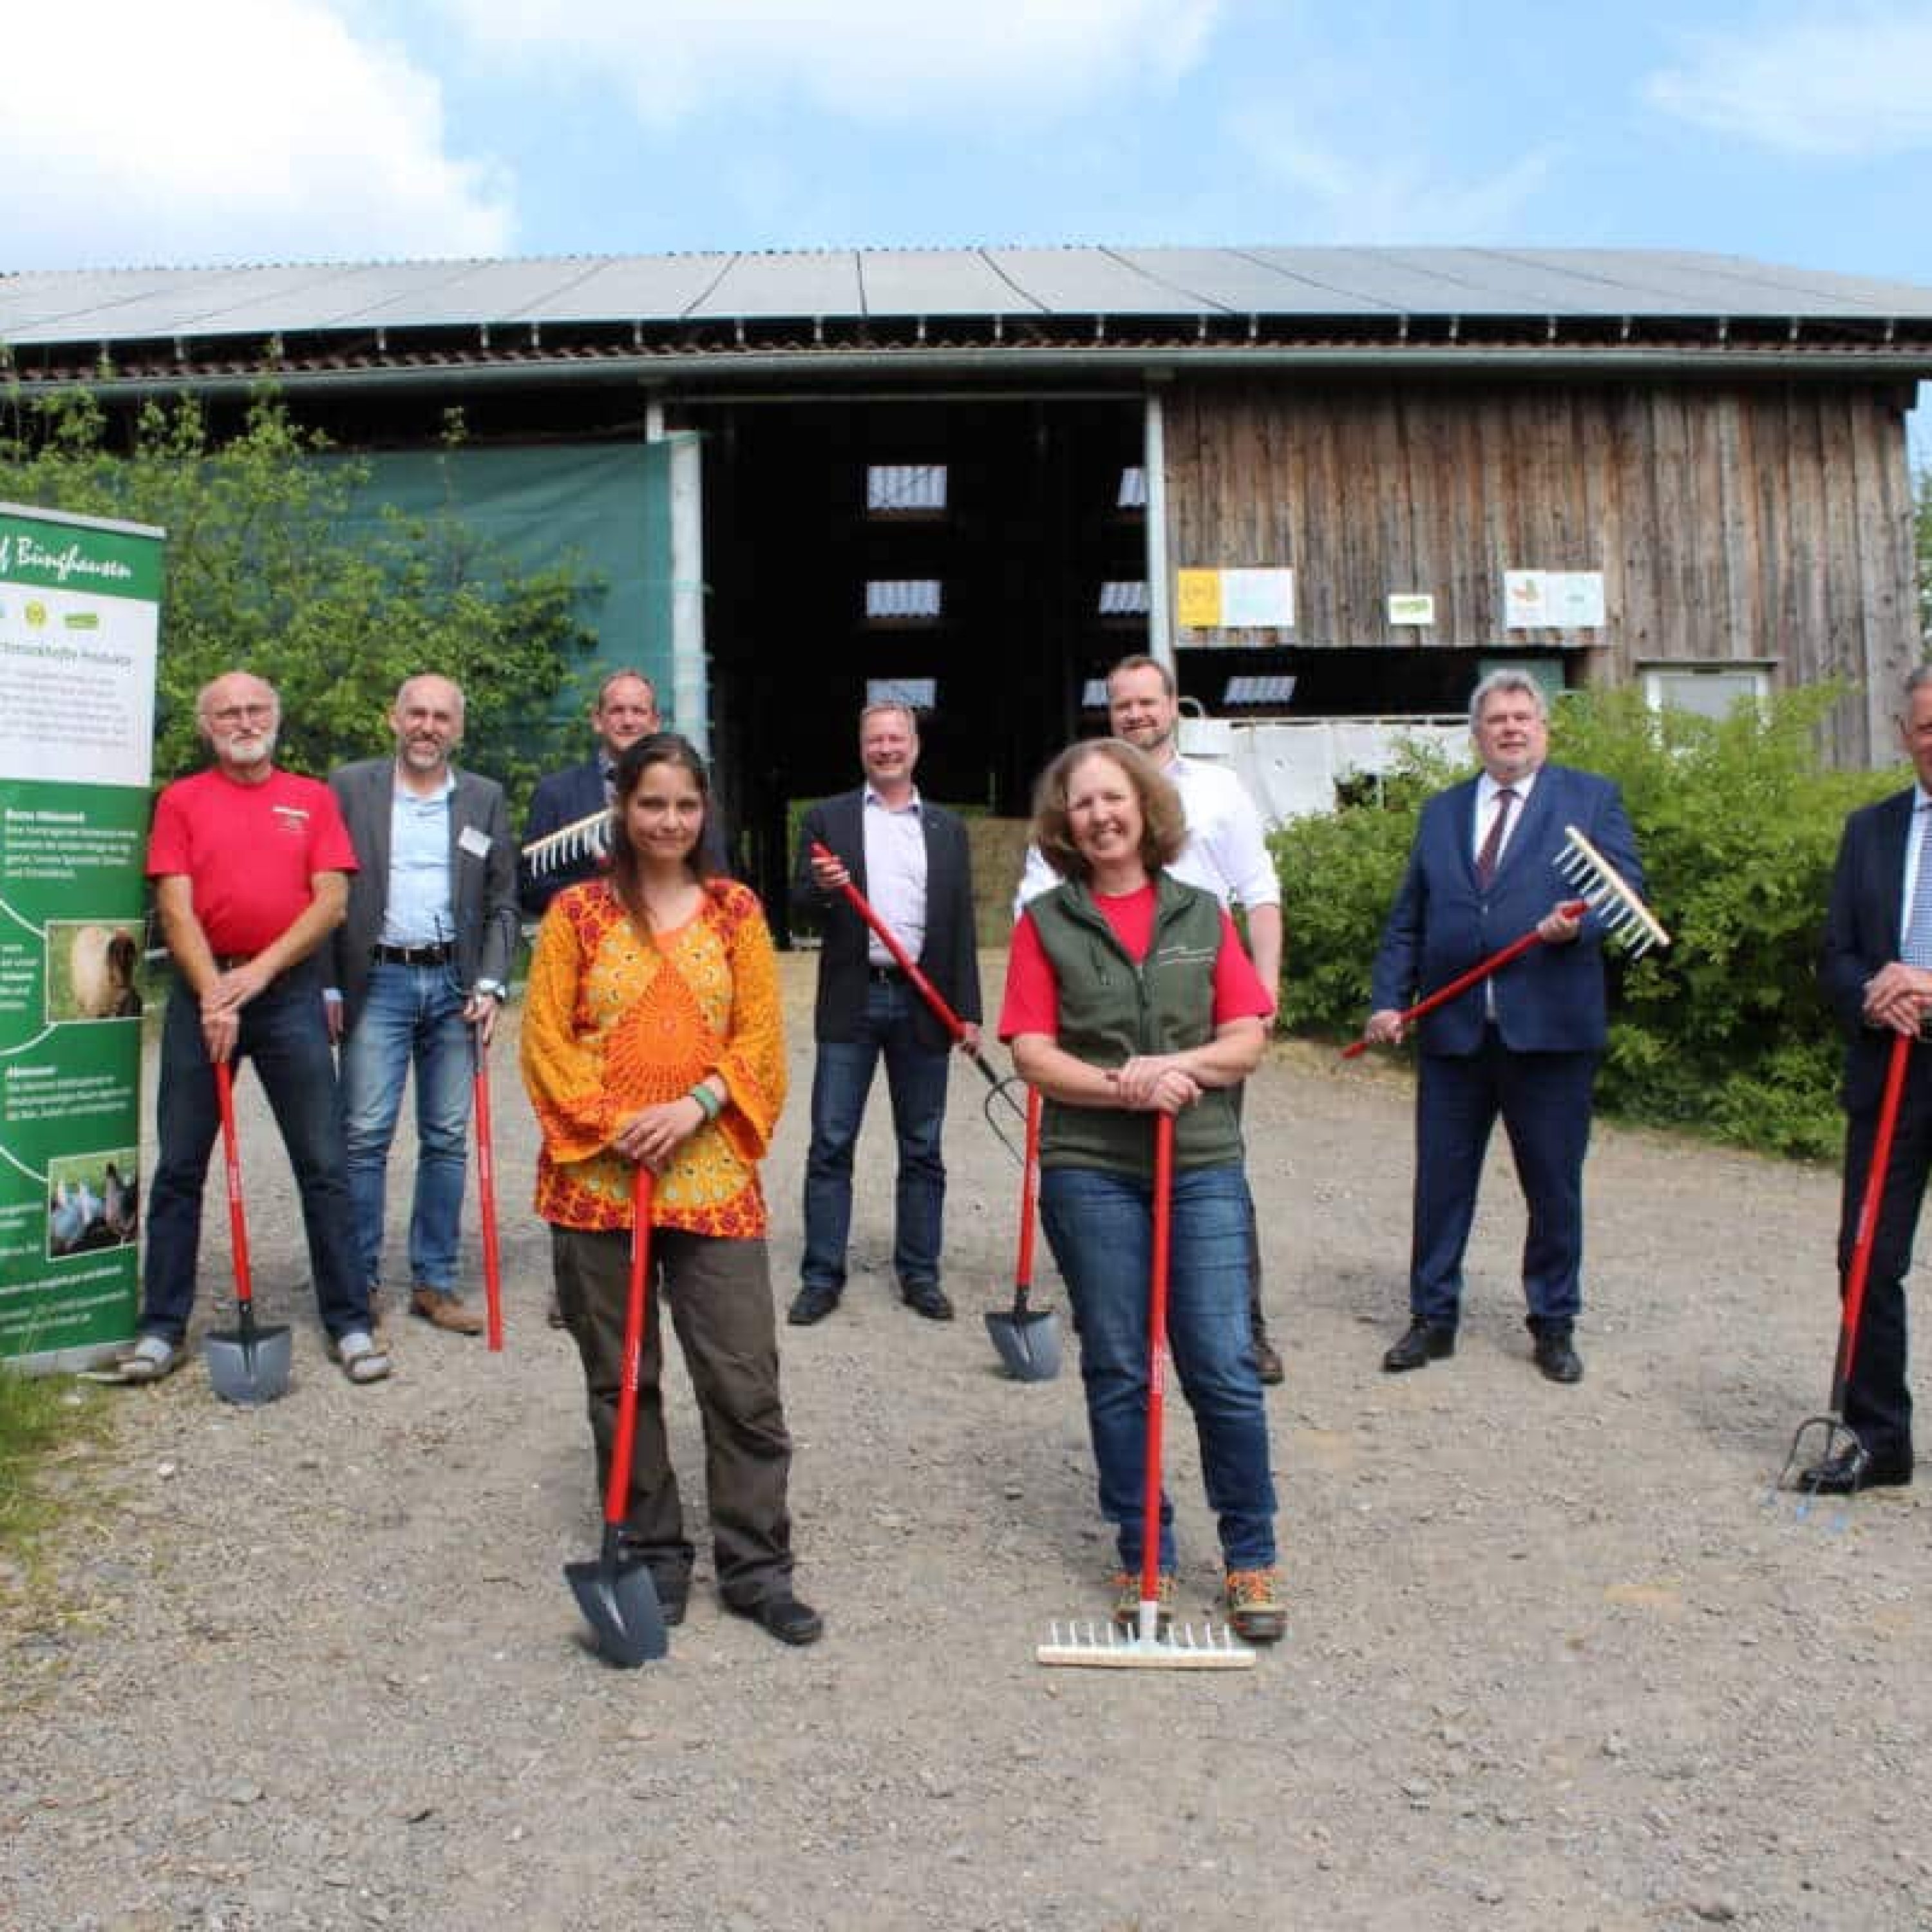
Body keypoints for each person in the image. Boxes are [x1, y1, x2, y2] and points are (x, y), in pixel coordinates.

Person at [520, 732, 820, 1643]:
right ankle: (652, 1553)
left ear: (705, 815)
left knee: (741, 1377)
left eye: (685, 806)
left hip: (713, 1175)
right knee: (622, 1379)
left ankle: (757, 1565)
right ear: (624, 808)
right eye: (652, 804)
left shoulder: (736, 914)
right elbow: (544, 1041)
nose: (669, 821)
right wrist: (618, 1122)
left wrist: (691, 1106)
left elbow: (761, 1042)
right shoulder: (575, 913)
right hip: (600, 1184)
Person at [1001, 737, 1283, 1642]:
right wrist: (1126, 1083)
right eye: (1081, 804)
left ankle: (1250, 1557)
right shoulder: (1045, 924)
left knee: (1223, 1367)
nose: (1100, 815)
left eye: (1113, 798)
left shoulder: (1203, 915)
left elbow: (1246, 1037)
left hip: (1198, 1164)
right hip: (1091, 1169)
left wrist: (1178, 1068)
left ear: (1146, 807)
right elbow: (1034, 1055)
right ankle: (1144, 1552)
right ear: (1065, 826)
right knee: (1120, 1367)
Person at [1365, 668, 1643, 1385]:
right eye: (1497, 720)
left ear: (1544, 729)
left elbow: (1626, 896)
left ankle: (1554, 1324)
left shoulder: (1589, 798)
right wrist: (1388, 999)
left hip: (1549, 1034)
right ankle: (1433, 1318)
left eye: (1524, 717)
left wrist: (1574, 931)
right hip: (1454, 1032)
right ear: (1476, 734)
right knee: (1441, 1182)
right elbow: (1409, 921)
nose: (1511, 728)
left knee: (1553, 1185)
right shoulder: (1443, 812)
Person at [1016, 655, 1286, 1383]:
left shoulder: (1220, 789)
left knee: (1212, 1169)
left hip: (1198, 1010)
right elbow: (1034, 899)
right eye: (1122, 705)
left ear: (1174, 705)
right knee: (1103, 1174)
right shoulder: (1080, 797)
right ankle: (1120, 1317)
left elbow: (1258, 891)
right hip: (1101, 1013)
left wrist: (1261, 991)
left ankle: (1240, 1326)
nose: (1136, 715)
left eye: (1147, 702)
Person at [118, 671, 388, 1384]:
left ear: (276, 716)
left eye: (256, 708)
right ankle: (161, 1327)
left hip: (287, 995)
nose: (244, 721)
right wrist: (215, 997)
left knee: (324, 1165)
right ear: (207, 727)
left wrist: (256, 977)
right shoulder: (181, 801)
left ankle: (349, 1321)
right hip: (202, 995)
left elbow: (330, 901)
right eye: (228, 712)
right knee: (179, 1165)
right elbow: (175, 908)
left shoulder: (311, 798)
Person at [327, 674, 518, 1337]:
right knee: (364, 1137)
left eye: (441, 717)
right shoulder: (351, 788)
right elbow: (321, 887)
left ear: (458, 730)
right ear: (393, 719)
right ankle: (360, 1283)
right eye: (417, 714)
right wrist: (327, 983)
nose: (428, 727)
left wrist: (493, 983)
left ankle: (434, 1282)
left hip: (454, 988)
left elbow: (502, 903)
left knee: (446, 1139)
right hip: (375, 978)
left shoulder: (484, 799)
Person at [788, 701, 983, 1326]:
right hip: (853, 996)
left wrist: (968, 1011)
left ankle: (920, 1275)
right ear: (862, 749)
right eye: (875, 739)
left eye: (897, 738)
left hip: (924, 1001)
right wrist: (820, 887)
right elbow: (795, 906)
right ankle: (821, 1277)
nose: (886, 748)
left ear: (916, 747)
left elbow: (960, 926)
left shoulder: (948, 829)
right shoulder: (829, 819)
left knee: (922, 1145)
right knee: (831, 1141)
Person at [1808, 668, 1932, 1493]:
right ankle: (1877, 1438)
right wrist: (1874, 991)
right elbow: (1836, 955)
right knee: (1867, 1255)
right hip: (1892, 1075)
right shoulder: (1872, 831)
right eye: (1925, 728)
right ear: (1902, 733)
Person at [518, 668, 661, 918]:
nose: (628, 721)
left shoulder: (684, 794)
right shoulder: (555, 793)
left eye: (639, 711)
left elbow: (713, 877)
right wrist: (600, 894)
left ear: (655, 722)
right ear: (597, 720)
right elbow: (529, 887)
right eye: (617, 711)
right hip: (584, 946)